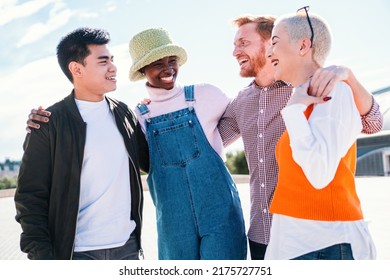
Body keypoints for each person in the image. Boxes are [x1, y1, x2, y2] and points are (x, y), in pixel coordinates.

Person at [24, 27, 247, 260]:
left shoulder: (135, 113)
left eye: (172, 60)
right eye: (103, 61)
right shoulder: (127, 118)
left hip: (151, 241)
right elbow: (31, 196)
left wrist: (213, 143)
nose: (168, 68)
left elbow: (242, 119)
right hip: (100, 246)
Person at [218, 15, 383, 259]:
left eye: (243, 43)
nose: (234, 51)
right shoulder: (241, 102)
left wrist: (348, 76)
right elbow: (211, 143)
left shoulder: (312, 87)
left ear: (268, 44)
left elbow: (372, 123)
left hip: (318, 236)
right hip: (266, 234)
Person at [14, 27, 149, 260]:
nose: (113, 67)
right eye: (103, 61)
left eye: (112, 60)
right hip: (77, 254)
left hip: (128, 248)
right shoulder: (48, 123)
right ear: (76, 68)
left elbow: (150, 162)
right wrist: (43, 259)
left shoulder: (124, 114)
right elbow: (29, 198)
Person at [264, 7, 377, 260]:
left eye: (275, 42)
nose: (268, 51)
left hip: (325, 245)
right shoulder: (305, 97)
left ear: (303, 46)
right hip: (302, 244)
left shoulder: (335, 93)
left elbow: (318, 174)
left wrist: (293, 110)